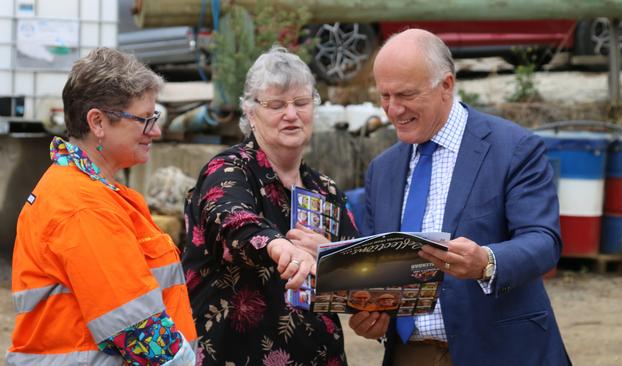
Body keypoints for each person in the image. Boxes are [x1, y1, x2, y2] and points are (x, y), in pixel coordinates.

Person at [348, 29, 571, 366]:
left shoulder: (514, 148)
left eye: (406, 94)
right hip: (411, 355)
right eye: (384, 95)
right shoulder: (383, 169)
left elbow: (544, 241)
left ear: (446, 85)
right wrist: (374, 317)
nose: (393, 110)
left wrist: (486, 262)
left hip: (502, 352)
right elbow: (379, 268)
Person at [7, 48, 196, 365]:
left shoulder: (89, 193)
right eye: (145, 119)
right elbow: (137, 329)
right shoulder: (83, 205)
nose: (156, 131)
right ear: (97, 122)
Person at [182, 46, 358, 365]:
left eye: (301, 103)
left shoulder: (326, 189)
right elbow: (233, 222)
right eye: (276, 105)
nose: (291, 114)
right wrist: (279, 247)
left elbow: (359, 268)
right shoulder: (228, 170)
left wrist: (336, 261)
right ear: (250, 112)